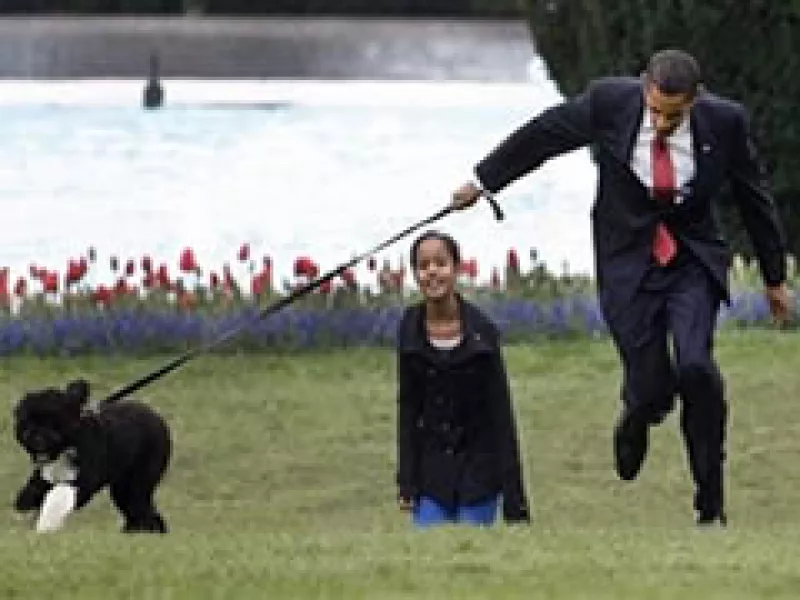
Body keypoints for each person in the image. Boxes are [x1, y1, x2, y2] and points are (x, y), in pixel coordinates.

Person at [451, 49, 792, 526]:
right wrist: (484, 181)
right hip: (628, 262)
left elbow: (754, 197)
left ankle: (710, 504)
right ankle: (637, 413)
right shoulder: (610, 103)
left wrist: (774, 279)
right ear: (643, 87)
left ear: (695, 101)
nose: (662, 123)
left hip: (691, 260)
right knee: (652, 390)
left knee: (697, 367)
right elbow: (544, 136)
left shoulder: (725, 122)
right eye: (654, 111)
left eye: (674, 116)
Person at [396, 230, 530, 527]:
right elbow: (408, 407)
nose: (432, 272)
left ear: (457, 269)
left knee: (472, 550)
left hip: (479, 472)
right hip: (432, 475)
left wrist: (515, 499)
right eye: (423, 265)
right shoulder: (410, 328)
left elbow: (501, 415)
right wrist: (406, 480)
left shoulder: (483, 331)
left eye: (440, 263)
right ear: (415, 274)